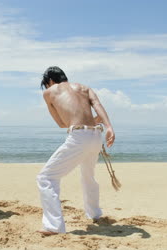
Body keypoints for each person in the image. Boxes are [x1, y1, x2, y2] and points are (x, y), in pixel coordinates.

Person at [36, 66, 115, 235]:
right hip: (95, 136)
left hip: (79, 136)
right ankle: (94, 214)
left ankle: (53, 226)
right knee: (88, 176)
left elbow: (62, 124)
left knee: (46, 178)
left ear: (50, 81)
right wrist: (109, 126)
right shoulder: (84, 88)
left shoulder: (49, 92)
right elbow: (98, 105)